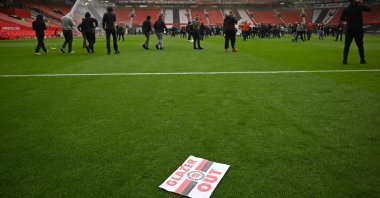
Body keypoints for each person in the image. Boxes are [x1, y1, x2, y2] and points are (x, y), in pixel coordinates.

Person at [340, 0, 371, 64]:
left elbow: (342, 19)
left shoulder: (346, 9)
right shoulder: (359, 7)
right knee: (360, 45)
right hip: (358, 29)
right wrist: (361, 3)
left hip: (349, 29)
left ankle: (345, 60)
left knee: (347, 45)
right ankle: (362, 60)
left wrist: (348, 19)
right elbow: (369, 9)